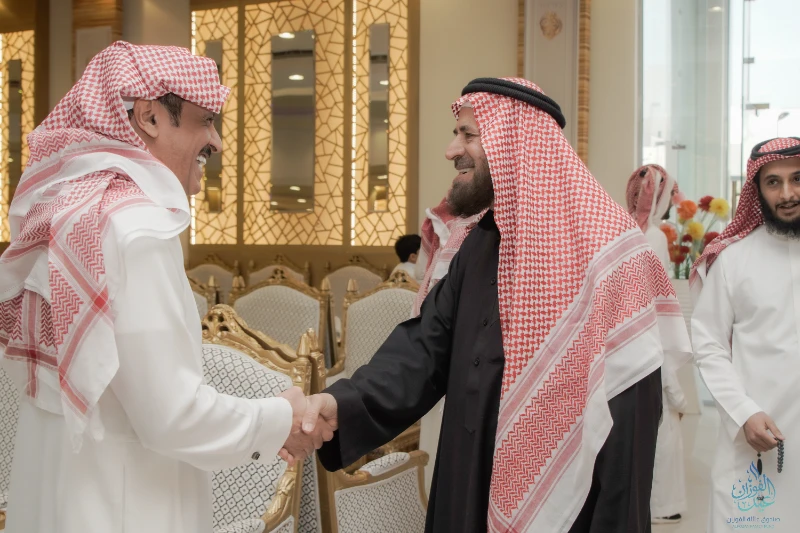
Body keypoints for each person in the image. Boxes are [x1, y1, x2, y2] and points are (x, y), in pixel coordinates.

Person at [298, 78, 691, 532]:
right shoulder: (478, 243)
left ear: (515, 144)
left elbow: (629, 432)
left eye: (468, 135)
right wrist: (342, 403)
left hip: (570, 507)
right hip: (467, 479)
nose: (452, 150)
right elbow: (423, 350)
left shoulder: (610, 258)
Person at [0, 42, 330, 533]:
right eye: (205, 121)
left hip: (58, 495)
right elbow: (171, 415)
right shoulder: (136, 227)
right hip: (124, 507)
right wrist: (280, 418)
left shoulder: (69, 215)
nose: (216, 142)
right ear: (150, 117)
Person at [691, 137, 800, 532]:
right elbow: (708, 344)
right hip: (756, 435)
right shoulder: (733, 260)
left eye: (797, 179)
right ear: (757, 190)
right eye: (773, 182)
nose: (787, 194)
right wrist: (744, 412)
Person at [626, 165, 688, 525]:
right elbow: (660, 296)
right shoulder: (656, 237)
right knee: (665, 427)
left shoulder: (622, 228)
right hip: (653, 335)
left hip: (628, 337)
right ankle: (662, 505)